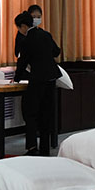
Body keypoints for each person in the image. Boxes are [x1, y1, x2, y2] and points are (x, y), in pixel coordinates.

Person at [14, 11, 61, 156]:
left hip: (38, 79)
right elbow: (56, 51)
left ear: (23, 26)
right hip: (51, 78)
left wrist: (16, 79)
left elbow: (22, 62)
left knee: (30, 113)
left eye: (18, 28)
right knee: (46, 114)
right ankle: (45, 148)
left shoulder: (27, 40)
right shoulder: (46, 34)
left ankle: (32, 147)